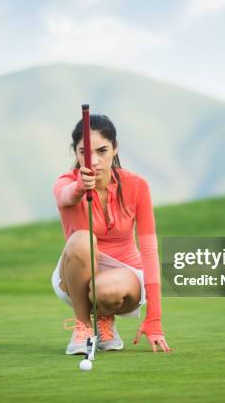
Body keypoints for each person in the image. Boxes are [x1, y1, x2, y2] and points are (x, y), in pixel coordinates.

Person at [51, 113, 172, 354]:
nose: (93, 160)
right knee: (82, 239)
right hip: (75, 276)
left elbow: (149, 250)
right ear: (75, 152)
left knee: (104, 290)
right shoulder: (65, 183)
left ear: (115, 148)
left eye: (102, 150)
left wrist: (154, 319)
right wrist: (78, 188)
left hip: (124, 278)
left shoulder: (137, 185)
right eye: (84, 152)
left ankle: (105, 319)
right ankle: (83, 326)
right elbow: (65, 197)